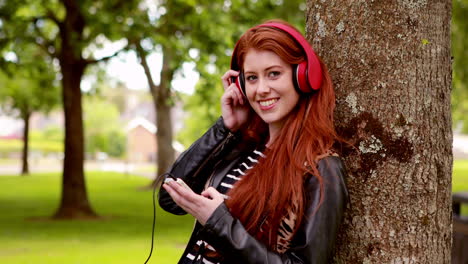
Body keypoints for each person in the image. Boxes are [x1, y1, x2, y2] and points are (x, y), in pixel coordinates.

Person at [159, 19, 348, 264]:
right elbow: (170, 199)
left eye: (274, 74)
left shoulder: (320, 168)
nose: (261, 89)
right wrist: (225, 128)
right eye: (251, 78)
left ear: (302, 77)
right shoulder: (242, 147)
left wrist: (218, 221)